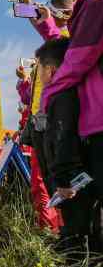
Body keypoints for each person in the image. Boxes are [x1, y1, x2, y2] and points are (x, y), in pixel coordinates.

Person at [37, 38, 96, 259]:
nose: (38, 74)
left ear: (51, 71)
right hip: (70, 179)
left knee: (78, 228)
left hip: (70, 182)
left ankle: (78, 257)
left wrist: (63, 179)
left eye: (39, 68)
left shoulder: (61, 97)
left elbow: (63, 138)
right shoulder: (63, 94)